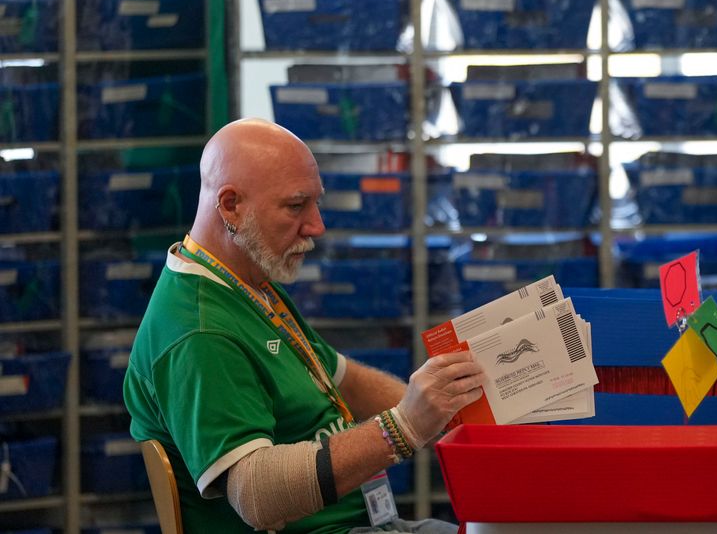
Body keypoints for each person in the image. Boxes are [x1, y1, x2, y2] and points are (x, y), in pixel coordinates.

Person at [124, 119, 486, 533]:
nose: (317, 226)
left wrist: (449, 412)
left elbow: (342, 379)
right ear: (230, 206)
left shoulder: (246, 284)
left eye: (316, 203)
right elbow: (255, 494)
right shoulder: (201, 333)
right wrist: (403, 427)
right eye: (296, 206)